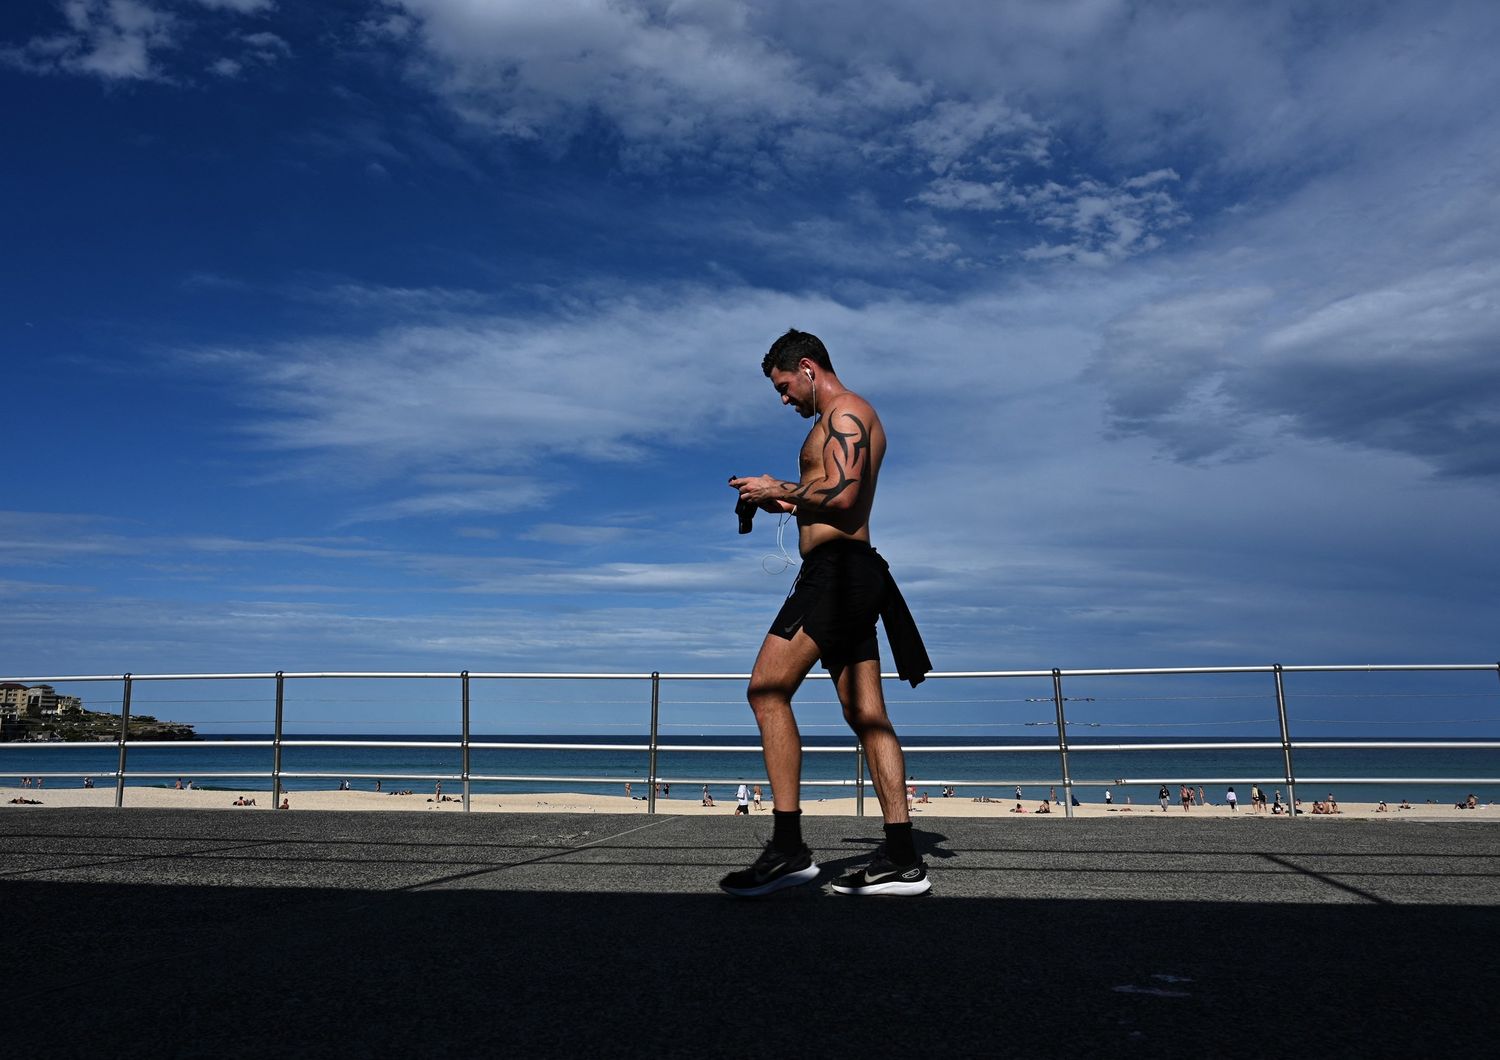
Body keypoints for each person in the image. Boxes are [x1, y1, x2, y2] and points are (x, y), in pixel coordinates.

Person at [720, 329, 932, 898]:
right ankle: (905, 859)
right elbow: (826, 498)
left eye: (785, 387)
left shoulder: (848, 414)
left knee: (766, 690)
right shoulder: (829, 422)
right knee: (867, 715)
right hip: (846, 571)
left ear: (808, 368)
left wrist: (778, 483)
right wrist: (778, 502)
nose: (784, 399)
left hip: (837, 573)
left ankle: (789, 849)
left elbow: (843, 496)